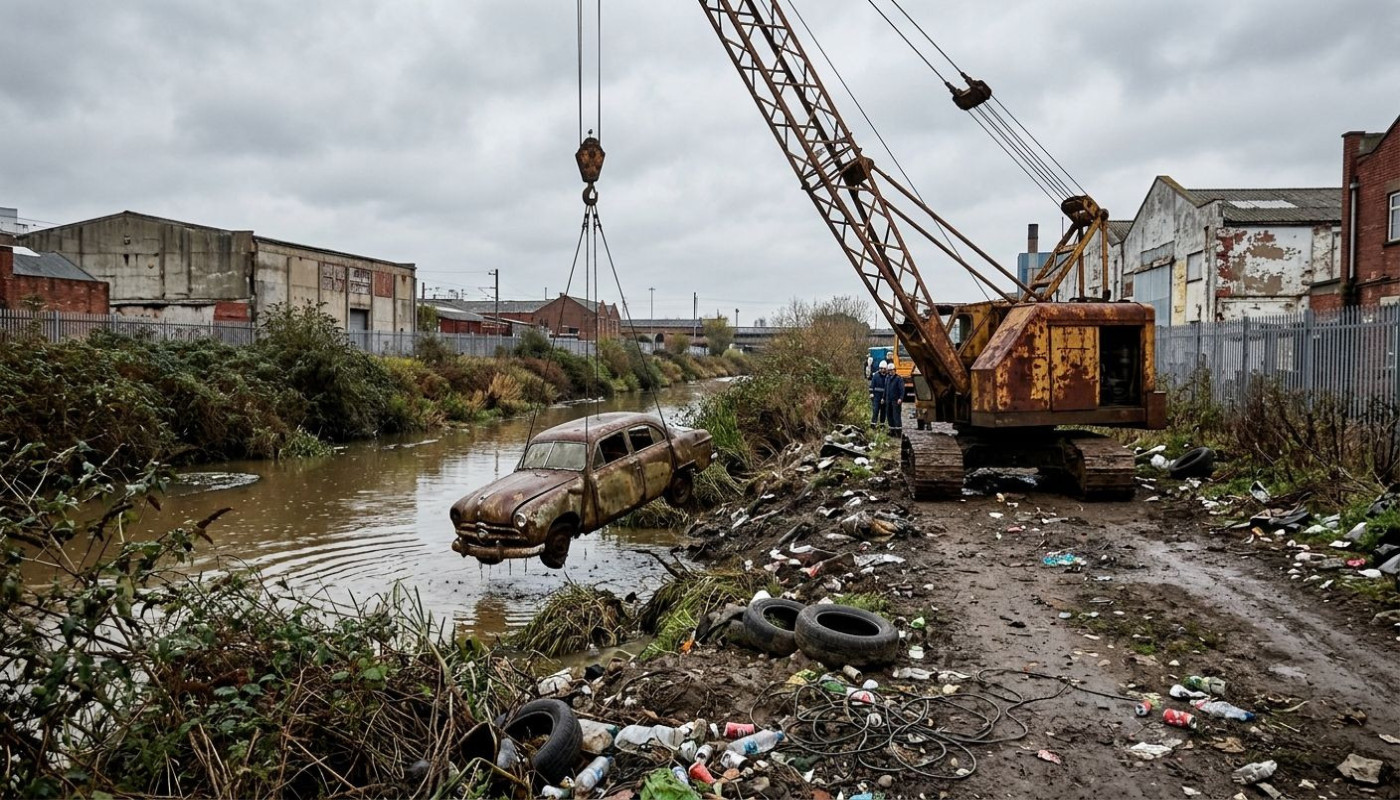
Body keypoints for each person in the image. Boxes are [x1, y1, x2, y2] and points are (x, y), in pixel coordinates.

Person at [885, 365, 906, 432]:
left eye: (891, 370)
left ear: (894, 370)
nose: (890, 372)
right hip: (889, 400)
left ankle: (898, 431)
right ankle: (892, 431)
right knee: (889, 415)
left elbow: (902, 390)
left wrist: (900, 398)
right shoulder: (887, 378)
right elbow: (885, 389)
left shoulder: (898, 379)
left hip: (896, 400)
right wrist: (883, 398)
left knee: (896, 416)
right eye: (889, 370)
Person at [869, 360, 888, 426]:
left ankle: (882, 425)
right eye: (881, 368)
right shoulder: (876, 376)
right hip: (876, 396)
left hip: (884, 397)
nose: (883, 370)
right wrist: (871, 393)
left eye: (884, 369)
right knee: (875, 410)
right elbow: (872, 385)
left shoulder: (888, 377)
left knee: (883, 412)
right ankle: (873, 424)